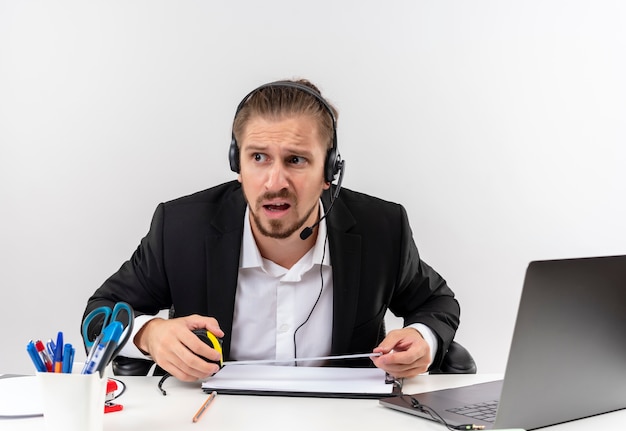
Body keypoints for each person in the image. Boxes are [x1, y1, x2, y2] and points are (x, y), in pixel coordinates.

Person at [83, 79, 460, 382]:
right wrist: (149, 335)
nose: (273, 181)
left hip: (341, 426)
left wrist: (423, 339)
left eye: (296, 160)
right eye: (258, 157)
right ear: (237, 162)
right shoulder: (180, 228)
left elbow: (436, 303)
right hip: (210, 424)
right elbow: (97, 316)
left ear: (330, 172)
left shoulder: (382, 229)